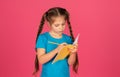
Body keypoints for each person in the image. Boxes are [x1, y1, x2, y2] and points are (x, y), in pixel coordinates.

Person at [32, 7, 79, 77]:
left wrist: (73, 53)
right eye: (57, 25)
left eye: (63, 24)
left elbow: (70, 63)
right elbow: (41, 60)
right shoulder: (43, 38)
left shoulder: (68, 39)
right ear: (48, 24)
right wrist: (57, 50)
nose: (61, 27)